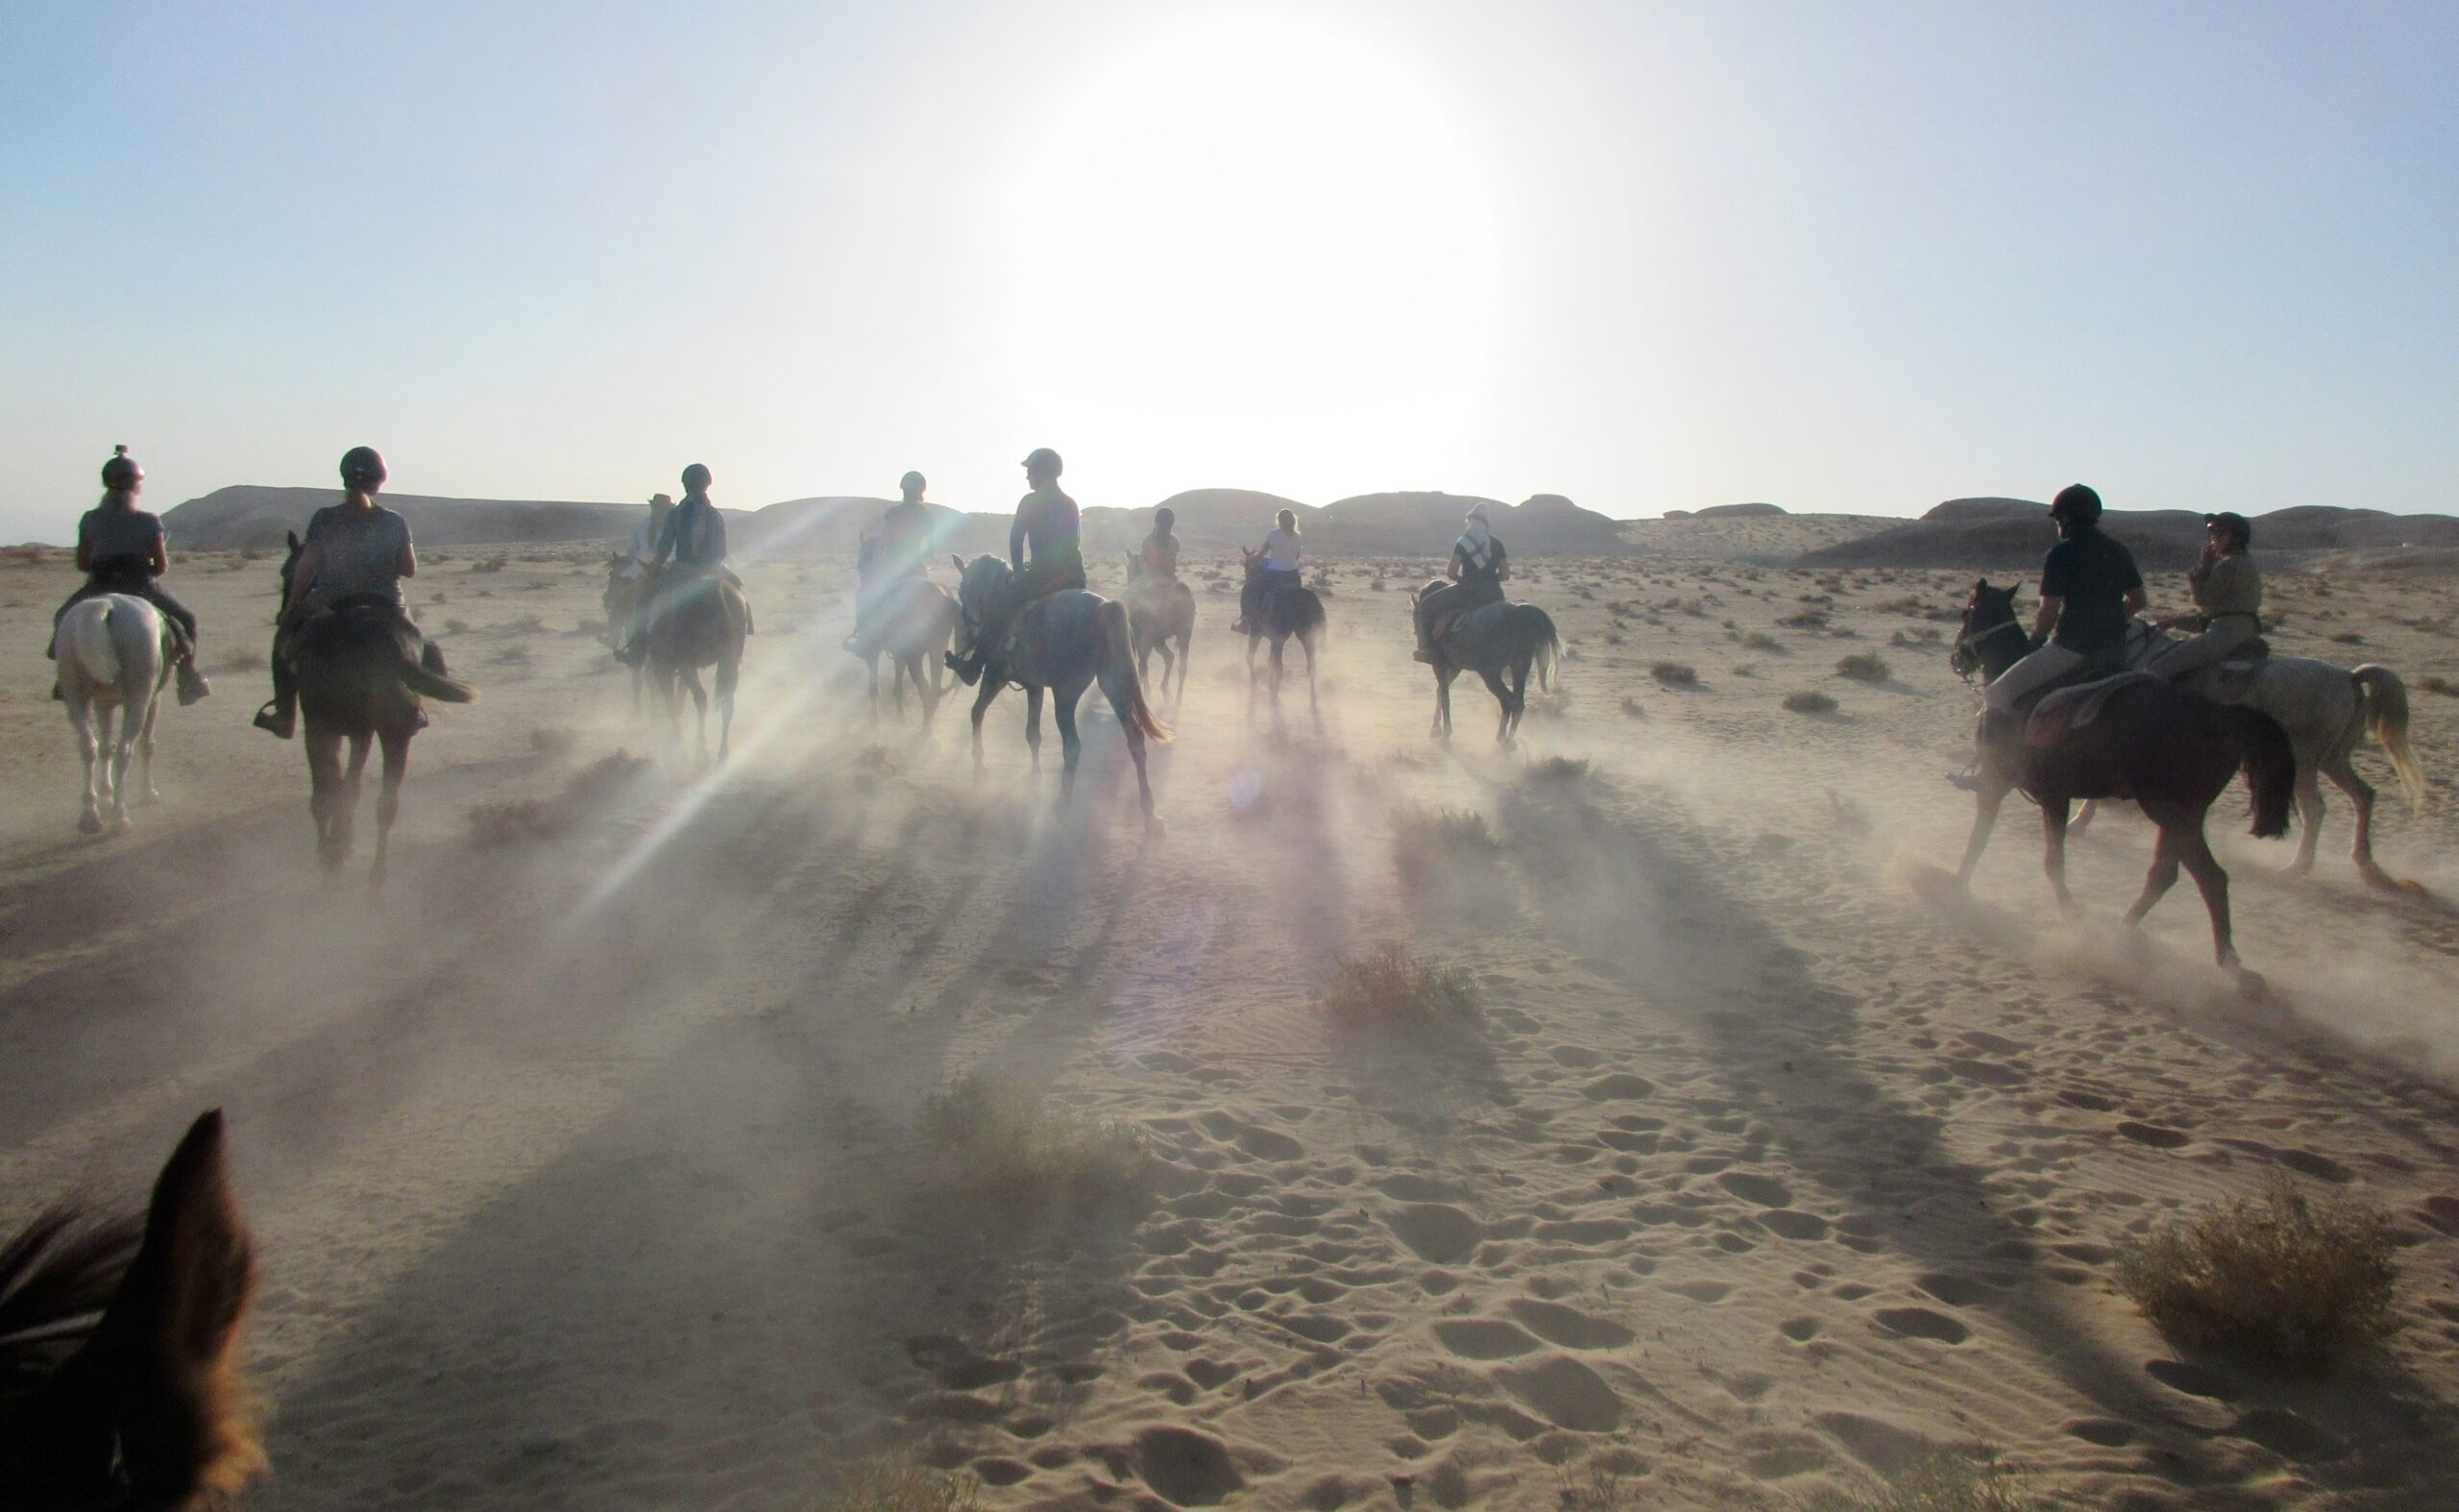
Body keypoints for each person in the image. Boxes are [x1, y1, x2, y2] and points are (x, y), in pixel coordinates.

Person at [1949, 483, 2145, 787]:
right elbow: (2139, 601)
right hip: (2115, 652)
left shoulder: (2061, 553)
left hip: (2071, 648)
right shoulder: (2118, 551)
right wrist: (2110, 621)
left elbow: (2049, 610)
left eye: (2058, 519)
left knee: (1996, 694)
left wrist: (2037, 639)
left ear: (2065, 518)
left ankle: (1988, 773)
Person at [254, 446, 420, 738]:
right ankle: (415, 711)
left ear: (344, 479)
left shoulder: (324, 518)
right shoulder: (394, 521)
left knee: (284, 644)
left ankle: (284, 714)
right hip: (386, 604)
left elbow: (306, 567)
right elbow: (409, 569)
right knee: (421, 646)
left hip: (330, 603)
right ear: (379, 480)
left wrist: (292, 607)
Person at [47, 446, 210, 705]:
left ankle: (66, 680)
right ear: (137, 485)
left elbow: (82, 563)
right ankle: (188, 678)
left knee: (62, 617)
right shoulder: (149, 520)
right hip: (141, 586)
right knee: (187, 620)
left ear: (106, 483)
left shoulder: (90, 519)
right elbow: (160, 567)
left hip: (100, 584)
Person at [947, 448, 1083, 685]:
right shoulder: (1070, 503)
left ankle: (974, 666)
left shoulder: (1031, 501)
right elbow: (1074, 543)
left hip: (1042, 577)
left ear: (1042, 471)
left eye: (1030, 470)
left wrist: (1020, 574)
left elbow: (1016, 540)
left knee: (1000, 608)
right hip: (1075, 578)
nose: (1027, 476)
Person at [619, 463, 742, 666]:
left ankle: (637, 650)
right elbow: (722, 551)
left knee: (643, 601)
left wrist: (657, 566)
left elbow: (665, 546)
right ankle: (738, 646)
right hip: (713, 568)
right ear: (707, 485)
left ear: (685, 485)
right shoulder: (716, 515)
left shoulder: (676, 514)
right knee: (737, 590)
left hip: (683, 570)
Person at [2147, 511, 2263, 680]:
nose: (2213, 538)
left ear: (2236, 537)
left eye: (2219, 533)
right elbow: (2219, 613)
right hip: (2245, 632)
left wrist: (2204, 566)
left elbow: (2202, 599)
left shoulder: (2228, 566)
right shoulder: (2246, 562)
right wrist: (2176, 622)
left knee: (2155, 669)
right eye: (2211, 532)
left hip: (2225, 637)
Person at [847, 471, 935, 652]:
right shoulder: (926, 516)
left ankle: (862, 638)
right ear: (922, 491)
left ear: (903, 490)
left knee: (865, 594)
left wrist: (878, 559)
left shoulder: (895, 513)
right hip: (918, 569)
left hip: (894, 568)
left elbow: (883, 542)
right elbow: (930, 550)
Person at [1413, 501, 1510, 662]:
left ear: (1470, 521)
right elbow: (1505, 574)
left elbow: (1451, 572)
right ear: (1486, 523)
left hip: (1468, 593)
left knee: (1425, 605)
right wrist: (1490, 579)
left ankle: (1429, 650)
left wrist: (1464, 580)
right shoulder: (1497, 543)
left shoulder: (1464, 542)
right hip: (1495, 594)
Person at [608, 492, 674, 648]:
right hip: (640, 566)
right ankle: (614, 635)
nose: (659, 511)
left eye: (662, 508)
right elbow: (632, 547)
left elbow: (675, 551)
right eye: (656, 508)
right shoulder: (642, 525)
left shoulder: (674, 527)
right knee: (619, 594)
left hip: (666, 567)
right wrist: (635, 559)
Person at [1233, 508, 1303, 635]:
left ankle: (1244, 624)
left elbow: (1262, 554)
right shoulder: (1298, 537)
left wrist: (1250, 558)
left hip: (1275, 575)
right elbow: (1297, 558)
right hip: (1294, 577)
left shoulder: (1273, 534)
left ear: (1279, 521)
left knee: (1247, 590)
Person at [1136, 506, 1181, 580]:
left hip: (1150, 576)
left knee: (1133, 589)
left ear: (1156, 522)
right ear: (1172, 523)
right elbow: (1173, 563)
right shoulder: (1174, 541)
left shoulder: (1148, 540)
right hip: (1169, 577)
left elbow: (1142, 559)